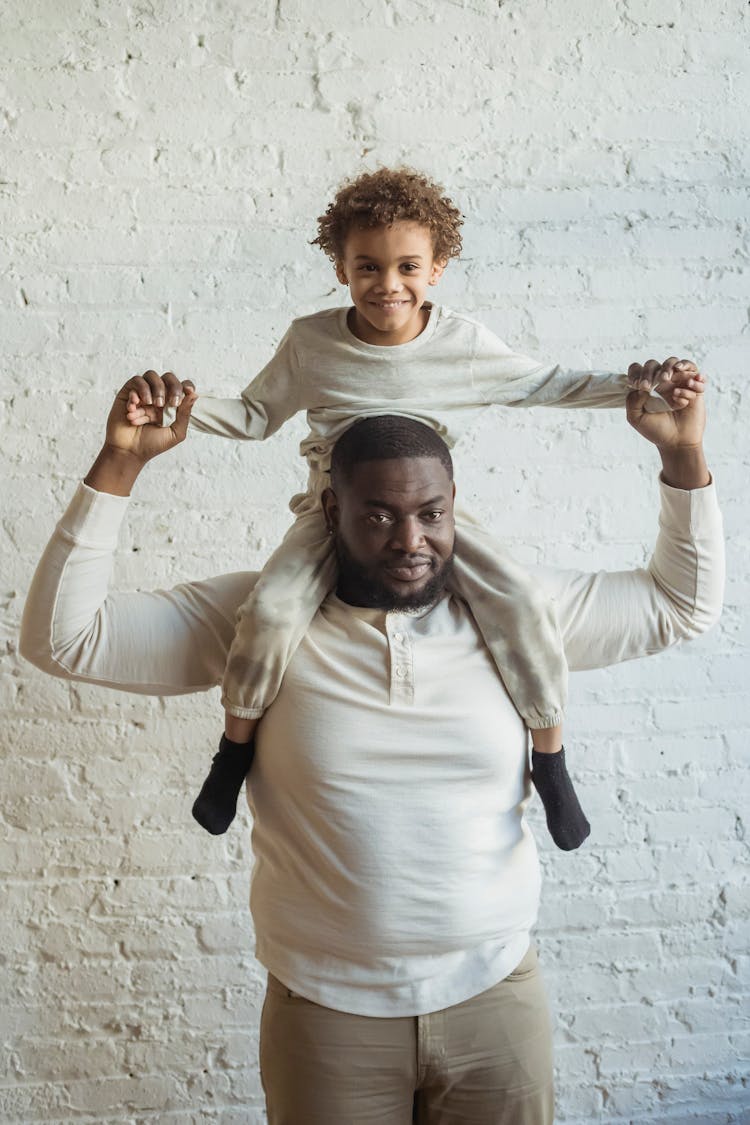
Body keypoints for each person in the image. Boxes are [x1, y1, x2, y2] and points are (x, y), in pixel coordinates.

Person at [20, 369, 723, 1124]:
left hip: (495, 998)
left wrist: (683, 457)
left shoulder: (521, 614)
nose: (411, 540)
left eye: (432, 513)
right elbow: (64, 640)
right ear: (332, 508)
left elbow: (681, 605)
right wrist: (121, 462)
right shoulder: (260, 618)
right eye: (380, 516)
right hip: (328, 1015)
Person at [124, 166, 704, 847]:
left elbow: (547, 382)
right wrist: (179, 410)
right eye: (367, 266)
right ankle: (233, 752)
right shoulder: (312, 342)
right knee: (273, 607)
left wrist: (644, 387)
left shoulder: (462, 344)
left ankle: (550, 759)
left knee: (518, 598)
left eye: (407, 266)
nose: (387, 284)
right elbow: (255, 413)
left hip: (431, 517)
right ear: (341, 268)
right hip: (333, 513)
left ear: (438, 267)